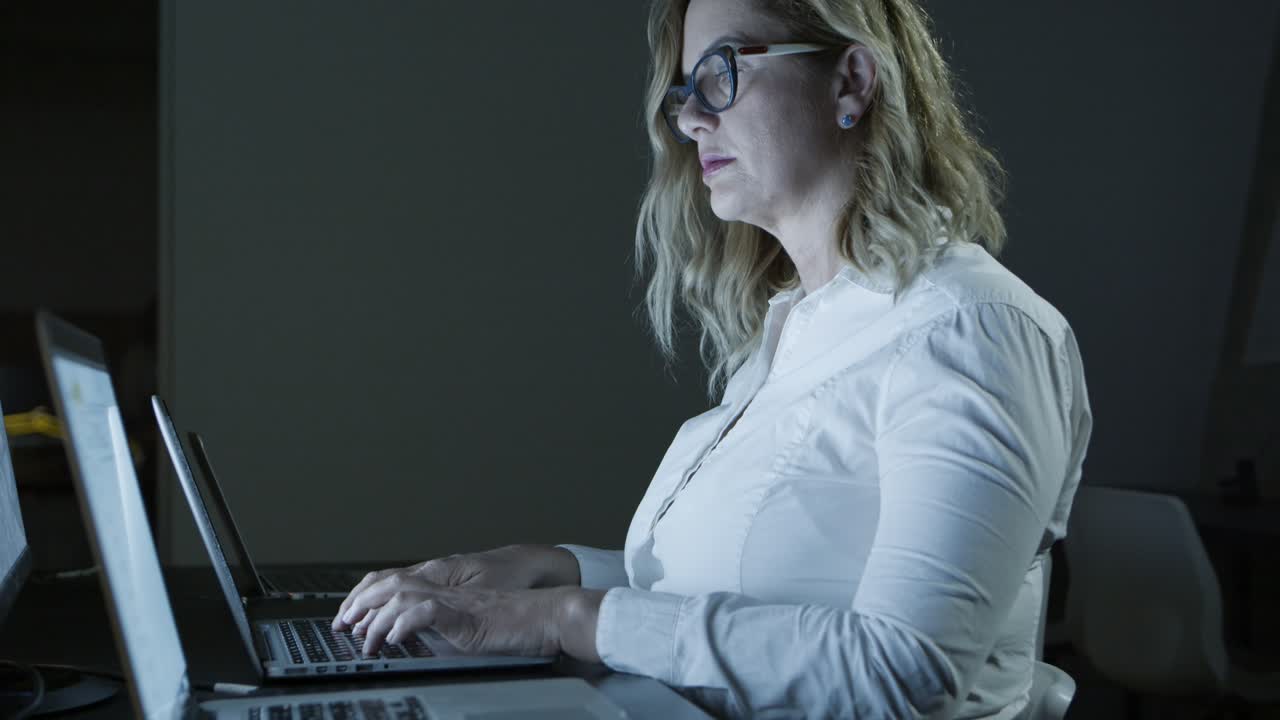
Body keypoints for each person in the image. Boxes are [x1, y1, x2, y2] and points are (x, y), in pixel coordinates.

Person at [332, 0, 1093, 716]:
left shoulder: (969, 332)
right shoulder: (796, 327)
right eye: (685, 91)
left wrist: (566, 616)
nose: (692, 118)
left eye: (722, 74)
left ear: (850, 81)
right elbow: (739, 590)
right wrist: (545, 569)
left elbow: (904, 671)